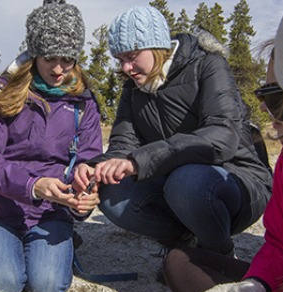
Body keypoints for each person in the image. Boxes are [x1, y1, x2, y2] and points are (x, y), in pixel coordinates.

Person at [124, 0, 283, 292]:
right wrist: (256, 287)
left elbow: (221, 134)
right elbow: (280, 243)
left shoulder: (207, 68)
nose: (261, 109)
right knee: (179, 263)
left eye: (273, 98)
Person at [74, 5, 272, 257]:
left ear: (157, 46)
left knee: (186, 182)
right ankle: (184, 246)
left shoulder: (208, 66)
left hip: (237, 181)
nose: (125, 68)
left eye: (132, 56)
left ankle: (218, 255)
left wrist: (139, 162)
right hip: (177, 186)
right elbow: (123, 147)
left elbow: (223, 135)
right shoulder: (132, 90)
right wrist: (96, 168)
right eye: (120, 60)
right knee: (113, 192)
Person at [0, 0, 102, 292]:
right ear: (34, 53)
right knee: (2, 288)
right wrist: (32, 186)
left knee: (46, 287)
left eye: (67, 59)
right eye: (50, 58)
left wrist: (85, 194)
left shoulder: (83, 102)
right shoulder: (0, 91)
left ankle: (54, 245)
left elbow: (89, 158)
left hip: (52, 213)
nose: (58, 69)